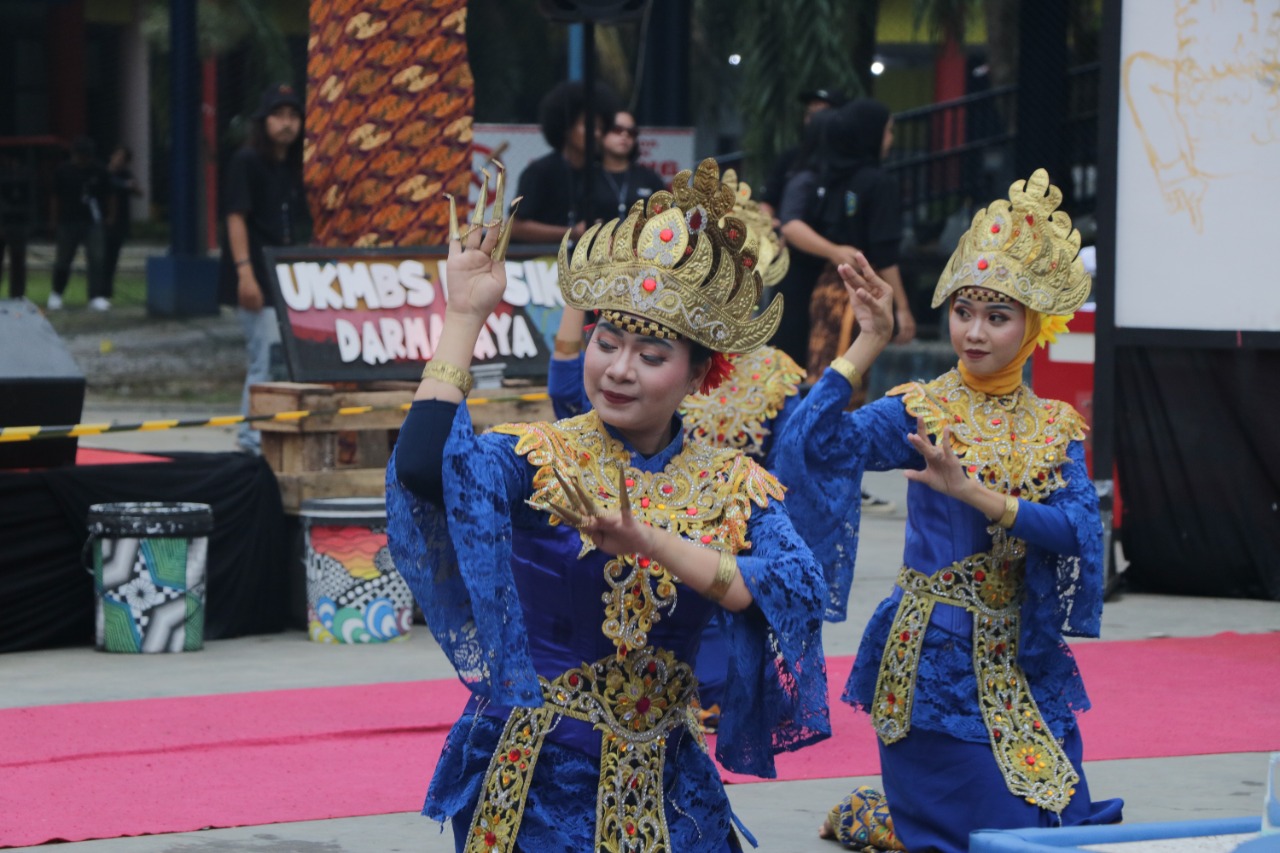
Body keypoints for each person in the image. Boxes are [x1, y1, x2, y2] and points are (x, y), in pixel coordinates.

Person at [388, 159, 833, 852]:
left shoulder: (733, 483)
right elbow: (422, 469)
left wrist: (650, 540)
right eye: (608, 342)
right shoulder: (537, 456)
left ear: (698, 373)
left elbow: (794, 588)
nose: (619, 368)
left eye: (651, 353)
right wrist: (464, 315)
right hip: (535, 782)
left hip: (670, 783)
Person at [771, 170, 1124, 851]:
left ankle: (892, 811)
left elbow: (1079, 530)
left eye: (997, 315)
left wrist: (975, 493)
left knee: (1060, 824)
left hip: (1020, 657)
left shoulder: (1054, 426)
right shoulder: (922, 406)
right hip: (934, 659)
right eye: (964, 311)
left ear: (1032, 326)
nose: (974, 331)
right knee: (997, 835)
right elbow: (809, 448)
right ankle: (892, 811)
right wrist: (866, 341)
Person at [779, 98, 917, 514]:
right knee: (845, 386)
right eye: (889, 130)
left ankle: (818, 476)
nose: (891, 139)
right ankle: (835, 482)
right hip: (862, 293)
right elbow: (884, 254)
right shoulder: (878, 182)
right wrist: (902, 310)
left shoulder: (828, 176)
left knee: (824, 381)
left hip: (827, 289)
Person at [218, 82, 310, 455]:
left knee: (284, 360)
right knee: (265, 358)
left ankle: (268, 434)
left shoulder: (291, 166)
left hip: (286, 278)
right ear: (264, 121)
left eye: (293, 116)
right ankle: (252, 439)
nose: (287, 124)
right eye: (279, 115)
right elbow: (235, 217)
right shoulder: (247, 161)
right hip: (255, 273)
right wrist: (244, 273)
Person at [510, 80, 620, 245]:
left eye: (600, 128)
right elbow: (514, 226)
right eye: (588, 126)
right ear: (567, 128)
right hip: (543, 263)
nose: (596, 134)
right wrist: (573, 233)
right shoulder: (540, 171)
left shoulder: (602, 174)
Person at [759, 87, 848, 219]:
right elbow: (767, 202)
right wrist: (770, 224)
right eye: (809, 114)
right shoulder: (790, 157)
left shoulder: (848, 159)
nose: (812, 121)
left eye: (820, 114)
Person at [48, 137, 113, 311]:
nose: (83, 159)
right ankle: (56, 294)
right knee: (63, 259)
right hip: (67, 220)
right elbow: (55, 196)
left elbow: (108, 194)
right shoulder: (63, 171)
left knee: (97, 259)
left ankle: (95, 296)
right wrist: (54, 220)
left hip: (93, 221)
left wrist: (110, 215)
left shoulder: (99, 171)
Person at [591, 109, 667, 221]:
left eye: (631, 132)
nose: (624, 135)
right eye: (617, 130)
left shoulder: (650, 178)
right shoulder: (588, 177)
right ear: (601, 134)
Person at [103, 145, 143, 304]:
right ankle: (98, 291)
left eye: (122, 158)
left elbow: (139, 192)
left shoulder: (126, 175)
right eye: (117, 156)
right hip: (102, 221)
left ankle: (107, 291)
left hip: (119, 223)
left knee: (112, 258)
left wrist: (131, 186)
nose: (118, 160)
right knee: (101, 258)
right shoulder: (104, 173)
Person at [0, 153, 33, 299]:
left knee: (18, 260)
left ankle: (17, 293)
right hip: (6, 220)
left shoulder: (25, 177)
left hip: (18, 222)